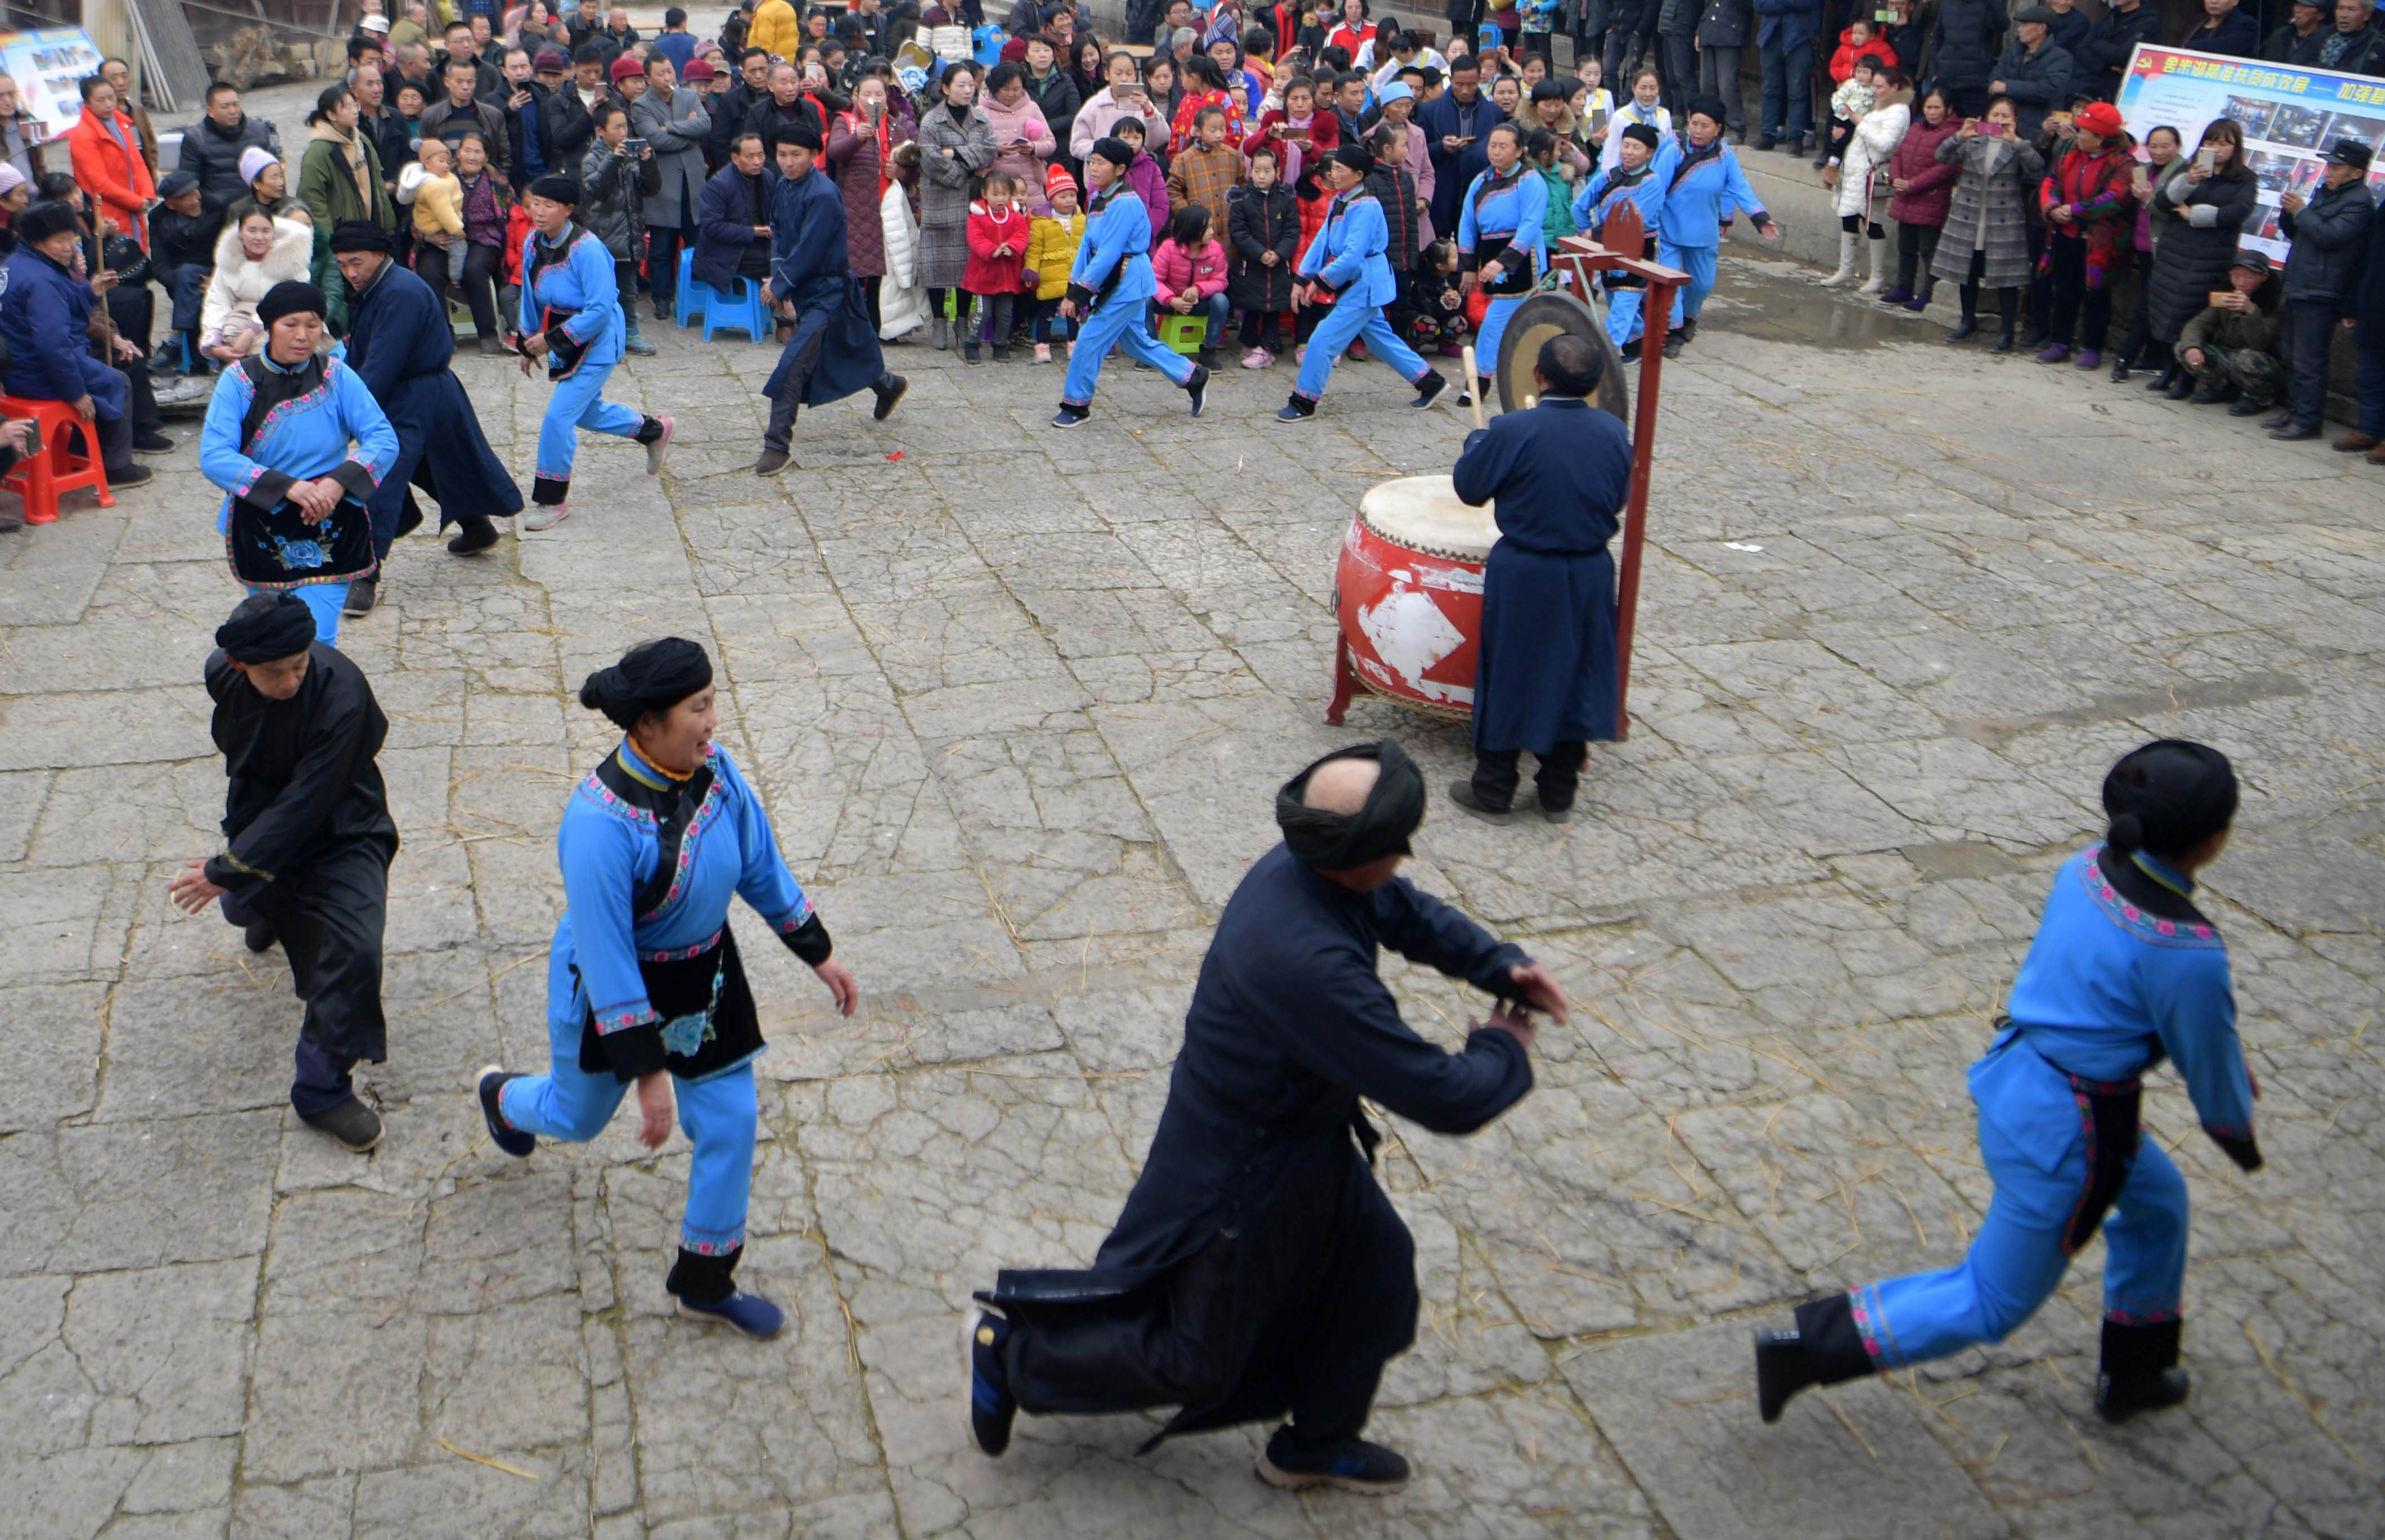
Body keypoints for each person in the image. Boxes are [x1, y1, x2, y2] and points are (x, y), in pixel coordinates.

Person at [964, 739, 1560, 1490]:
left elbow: (1397, 905)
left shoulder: (1314, 869)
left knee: (1378, 1278)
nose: (1406, 856)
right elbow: (1443, 1093)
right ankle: (1009, 1350)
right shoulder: (1309, 966)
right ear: (1362, 849)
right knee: (1195, 1357)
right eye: (1400, 840)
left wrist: (1493, 961)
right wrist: (1504, 1046)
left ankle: (1314, 1442)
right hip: (1238, 1177)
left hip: (1307, 1145)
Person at [1756, 741, 2261, 1429]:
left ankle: (2139, 1366)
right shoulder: (2185, 946)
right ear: (2214, 840)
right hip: (2072, 1133)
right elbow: (2213, 1063)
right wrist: (2235, 1125)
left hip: (2020, 1077)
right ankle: (1805, 1348)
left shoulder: (2087, 868)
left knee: (2159, 1203)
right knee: (1989, 1301)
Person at [475, 637, 860, 1339]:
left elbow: (758, 865)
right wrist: (649, 1072)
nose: (713, 721)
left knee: (731, 1122)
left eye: (712, 701)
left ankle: (705, 1281)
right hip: (611, 993)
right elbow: (607, 952)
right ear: (646, 724)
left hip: (705, 982)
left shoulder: (718, 773)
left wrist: (818, 951)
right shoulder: (596, 823)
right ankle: (502, 1097)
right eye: (699, 706)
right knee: (578, 1117)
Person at [167, 593, 400, 1155]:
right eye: (276, 672)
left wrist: (229, 867)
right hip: (264, 812)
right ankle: (261, 908)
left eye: (301, 664)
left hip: (344, 824)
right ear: (241, 666)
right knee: (248, 900)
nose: (293, 679)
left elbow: (308, 800)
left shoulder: (340, 691)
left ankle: (320, 1089)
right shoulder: (220, 672)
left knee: (355, 949)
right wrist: (237, 871)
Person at [1440, 333, 1625, 818]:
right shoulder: (1612, 432)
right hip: (1589, 571)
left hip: (1525, 570)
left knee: (1510, 673)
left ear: (1538, 375)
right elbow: (1618, 496)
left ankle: (1494, 789)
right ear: (1596, 380)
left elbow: (1470, 489)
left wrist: (1477, 444)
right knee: (1575, 672)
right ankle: (1558, 790)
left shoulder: (1512, 429)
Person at [198, 281, 398, 645]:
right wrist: (290, 487)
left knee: (318, 640)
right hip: (262, 523)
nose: (303, 335)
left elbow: (384, 439)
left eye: (312, 324)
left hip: (332, 518)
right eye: (291, 324)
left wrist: (337, 483)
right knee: (272, 639)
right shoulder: (240, 382)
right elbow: (214, 456)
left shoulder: (337, 376)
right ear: (270, 326)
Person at [332, 219, 525, 577]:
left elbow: (382, 363)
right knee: (435, 464)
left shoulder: (400, 292)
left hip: (420, 393)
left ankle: (365, 574)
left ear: (379, 254)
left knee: (379, 475)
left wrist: (346, 419)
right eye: (343, 265)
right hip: (412, 392)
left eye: (356, 262)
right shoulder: (376, 286)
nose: (350, 273)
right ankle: (476, 527)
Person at [511, 173, 673, 526]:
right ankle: (654, 431)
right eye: (535, 203)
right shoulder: (533, 241)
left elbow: (600, 309)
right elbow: (529, 293)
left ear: (568, 210)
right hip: (566, 332)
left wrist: (550, 341)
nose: (539, 211)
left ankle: (552, 501)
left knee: (558, 417)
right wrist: (527, 342)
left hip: (599, 337)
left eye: (549, 205)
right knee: (582, 411)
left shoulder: (588, 249)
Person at [753, 123, 908, 475]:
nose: (788, 162)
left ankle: (777, 445)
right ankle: (887, 385)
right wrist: (779, 277)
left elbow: (812, 246)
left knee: (792, 363)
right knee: (843, 350)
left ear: (813, 155)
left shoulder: (823, 194)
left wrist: (781, 285)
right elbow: (778, 233)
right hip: (807, 289)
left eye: (796, 155)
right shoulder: (782, 185)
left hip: (831, 291)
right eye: (782, 155)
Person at [1053, 135, 1211, 426]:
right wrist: (1073, 286)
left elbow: (1110, 252)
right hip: (1115, 278)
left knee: (1088, 340)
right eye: (1092, 162)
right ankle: (1193, 376)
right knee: (1137, 343)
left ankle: (1076, 405)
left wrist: (1078, 295)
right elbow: (1087, 246)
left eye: (1101, 163)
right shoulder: (1100, 198)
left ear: (1120, 169)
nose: (1094, 168)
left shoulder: (1126, 203)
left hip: (1127, 281)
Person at [1276, 143, 1445, 416]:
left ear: (1358, 174)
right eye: (1332, 168)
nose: (1333, 173)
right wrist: (1302, 276)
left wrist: (1319, 282)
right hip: (1356, 282)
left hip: (1364, 283)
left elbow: (1353, 256)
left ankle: (1303, 401)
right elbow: (1322, 243)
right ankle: (1431, 382)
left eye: (1340, 169)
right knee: (1381, 340)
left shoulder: (1366, 207)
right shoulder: (1341, 200)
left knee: (1321, 339)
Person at [0, 200, 158, 489]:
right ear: (37, 241)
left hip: (15, 368)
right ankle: (114, 467)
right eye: (59, 241)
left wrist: (89, 291)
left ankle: (77, 450)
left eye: (71, 239)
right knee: (118, 380)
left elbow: (57, 307)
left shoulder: (15, 264)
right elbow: (53, 346)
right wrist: (74, 392)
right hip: (36, 371)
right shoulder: (41, 281)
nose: (69, 248)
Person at [1651, 97, 1779, 358]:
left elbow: (1739, 187)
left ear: (1718, 128)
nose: (1697, 130)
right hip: (1668, 231)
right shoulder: (1673, 150)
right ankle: (1672, 333)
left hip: (1704, 232)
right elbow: (1654, 187)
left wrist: (1760, 217)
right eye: (1694, 123)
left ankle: (1689, 319)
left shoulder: (1724, 155)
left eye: (1705, 126)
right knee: (1670, 283)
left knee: (1702, 284)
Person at [2267, 139, 2374, 443]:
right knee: (2291, 354)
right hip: (2300, 284)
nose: (2329, 172)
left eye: (2337, 167)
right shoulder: (2327, 194)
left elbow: (2330, 236)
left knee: (2310, 360)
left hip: (2322, 291)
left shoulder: (2359, 202)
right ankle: (2295, 410)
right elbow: (2300, 233)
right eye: (2329, 165)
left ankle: (2309, 420)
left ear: (2355, 172)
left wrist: (2301, 212)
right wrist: (2290, 214)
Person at [2136, 118, 2254, 395]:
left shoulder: (2245, 179)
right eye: (2211, 142)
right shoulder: (2190, 169)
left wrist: (2195, 214)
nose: (2217, 148)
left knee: (2192, 317)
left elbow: (2238, 213)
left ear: (2235, 148)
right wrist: (2188, 182)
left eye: (2225, 143)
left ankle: (2187, 377)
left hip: (2210, 258)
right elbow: (2162, 202)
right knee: (2164, 312)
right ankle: (2168, 369)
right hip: (2175, 252)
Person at [1933, 96, 2042, 352]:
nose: (2000, 120)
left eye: (2006, 116)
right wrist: (1960, 136)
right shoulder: (1972, 141)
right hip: (1969, 215)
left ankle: (2006, 331)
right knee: (1967, 270)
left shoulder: (2018, 145)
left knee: (2006, 277)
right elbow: (1941, 156)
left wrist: (2015, 141)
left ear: (2015, 121)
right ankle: (1967, 319)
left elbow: (2037, 166)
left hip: (2003, 218)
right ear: (1985, 118)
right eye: (1996, 115)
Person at [2033, 98, 2132, 369]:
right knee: (2064, 288)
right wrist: (2052, 207)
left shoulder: (2123, 162)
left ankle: (2092, 346)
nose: (2079, 135)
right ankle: (2061, 342)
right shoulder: (2069, 148)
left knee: (2096, 293)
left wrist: (2075, 210)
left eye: (2085, 131)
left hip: (2099, 241)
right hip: (2066, 233)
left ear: (2101, 138)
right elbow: (2051, 180)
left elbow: (2116, 198)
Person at [1451, 122, 1543, 398]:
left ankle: (1479, 381)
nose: (1496, 151)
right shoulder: (1480, 181)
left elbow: (1531, 225)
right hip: (1489, 252)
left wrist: (1503, 262)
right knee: (1512, 321)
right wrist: (1468, 267)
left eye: (1503, 146)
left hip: (1520, 256)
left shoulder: (1530, 181)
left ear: (1519, 151)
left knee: (1496, 319)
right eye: (1493, 145)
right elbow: (1467, 223)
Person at [1572, 120, 1672, 354]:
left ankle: (1604, 352)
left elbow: (1636, 220)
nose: (1629, 152)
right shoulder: (1606, 177)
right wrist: (1585, 231)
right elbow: (1580, 207)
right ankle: (1637, 340)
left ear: (1649, 153)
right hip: (1608, 247)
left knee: (1627, 298)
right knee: (1617, 298)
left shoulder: (1653, 183)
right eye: (1626, 145)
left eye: (1636, 147)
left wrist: (1593, 234)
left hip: (1639, 248)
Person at [918, 63, 999, 349]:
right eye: (961, 85)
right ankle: (939, 320)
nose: (968, 90)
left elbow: (990, 150)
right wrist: (966, 170)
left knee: (968, 263)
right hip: (941, 197)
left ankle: (962, 319)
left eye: (971, 85)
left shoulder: (981, 118)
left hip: (972, 200)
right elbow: (930, 160)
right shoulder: (931, 121)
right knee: (937, 264)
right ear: (946, 88)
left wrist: (955, 153)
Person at [632, 55, 712, 323]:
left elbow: (705, 125)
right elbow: (655, 139)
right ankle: (662, 298)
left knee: (697, 242)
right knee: (661, 246)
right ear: (648, 79)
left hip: (692, 183)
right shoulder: (641, 106)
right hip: (663, 185)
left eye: (670, 71)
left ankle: (697, 295)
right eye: (661, 73)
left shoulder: (689, 96)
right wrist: (688, 137)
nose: (668, 77)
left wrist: (674, 127)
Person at [579, 101, 661, 355]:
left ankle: (630, 333)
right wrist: (614, 160)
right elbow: (594, 189)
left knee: (629, 288)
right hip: (604, 235)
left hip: (630, 232)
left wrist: (648, 162)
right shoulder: (593, 158)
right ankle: (598, 334)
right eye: (617, 127)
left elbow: (652, 189)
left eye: (625, 126)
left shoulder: (633, 155)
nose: (624, 132)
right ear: (601, 131)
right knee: (600, 291)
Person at [2176, 248, 2283, 416]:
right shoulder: (2227, 294)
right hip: (2229, 357)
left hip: (2260, 363)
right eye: (2236, 276)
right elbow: (2198, 324)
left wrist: (2251, 312)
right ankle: (2223, 388)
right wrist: (2192, 347)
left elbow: (2260, 343)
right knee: (2183, 347)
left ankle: (2258, 397)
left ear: (2264, 277)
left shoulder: (2274, 302)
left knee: (2248, 358)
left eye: (2248, 276)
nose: (2241, 282)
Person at [1879, 87, 1959, 312]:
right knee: (1906, 245)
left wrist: (1913, 185)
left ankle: (1929, 292)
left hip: (1930, 198)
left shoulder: (1952, 134)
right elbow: (1899, 154)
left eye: (1937, 108)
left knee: (1928, 249)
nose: (1932, 112)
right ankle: (1904, 287)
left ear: (1948, 109)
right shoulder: (1916, 128)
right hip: (1906, 196)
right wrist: (1895, 178)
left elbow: (1945, 168)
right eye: (1928, 107)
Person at [200, 208, 315, 362]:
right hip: (237, 323)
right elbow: (217, 300)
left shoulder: (291, 261)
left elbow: (291, 300)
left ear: (273, 233)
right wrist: (214, 340)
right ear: (240, 233)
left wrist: (252, 330)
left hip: (283, 321)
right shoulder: (228, 262)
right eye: (252, 231)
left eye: (266, 231)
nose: (259, 237)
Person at [66, 75, 155, 252]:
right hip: (109, 211)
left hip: (133, 205)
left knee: (138, 256)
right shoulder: (83, 136)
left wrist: (148, 193)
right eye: (101, 100)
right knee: (119, 259)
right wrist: (137, 203)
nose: (109, 104)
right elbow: (100, 184)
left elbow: (137, 162)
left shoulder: (120, 123)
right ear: (87, 103)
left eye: (112, 97)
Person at [298, 84, 398, 238]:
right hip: (345, 235)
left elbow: (378, 182)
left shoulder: (361, 140)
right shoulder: (319, 152)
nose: (355, 111)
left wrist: (388, 223)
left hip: (372, 228)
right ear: (331, 115)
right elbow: (313, 199)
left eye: (355, 105)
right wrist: (328, 239)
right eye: (347, 107)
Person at [1419, 56, 1503, 236]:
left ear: (1480, 79)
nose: (1465, 90)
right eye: (1459, 84)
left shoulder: (1494, 112)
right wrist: (1442, 147)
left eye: (1471, 85)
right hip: (1442, 189)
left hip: (1479, 187)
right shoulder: (1429, 111)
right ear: (1450, 80)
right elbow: (1420, 152)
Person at [181, 83, 284, 217]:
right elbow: (190, 183)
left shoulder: (259, 130)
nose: (233, 111)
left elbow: (275, 172)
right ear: (210, 111)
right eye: (225, 107)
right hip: (218, 211)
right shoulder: (195, 139)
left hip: (259, 207)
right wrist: (215, 203)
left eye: (236, 105)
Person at [693, 130, 775, 296]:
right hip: (724, 251)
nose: (758, 162)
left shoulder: (767, 177)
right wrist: (752, 232)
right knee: (775, 265)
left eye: (761, 155)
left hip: (760, 242)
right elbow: (712, 227)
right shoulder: (720, 184)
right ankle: (782, 312)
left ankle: (781, 309)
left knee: (795, 259)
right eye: (750, 157)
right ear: (735, 159)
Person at [962, 168, 1031, 361]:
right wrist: (992, 250)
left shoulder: (1016, 216)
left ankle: (1000, 344)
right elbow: (975, 239)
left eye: (1004, 194)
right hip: (984, 275)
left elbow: (1022, 235)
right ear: (985, 194)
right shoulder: (977, 216)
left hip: (1007, 275)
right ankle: (972, 342)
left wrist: (1012, 248)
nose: (1000, 199)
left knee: (1005, 314)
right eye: (995, 194)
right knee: (983, 313)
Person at [1024, 163, 1087, 360]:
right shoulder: (1041, 222)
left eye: (1072, 195)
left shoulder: (1081, 220)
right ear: (1052, 198)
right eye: (1063, 196)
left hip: (1073, 275)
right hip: (1050, 275)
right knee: (1047, 312)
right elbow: (1034, 250)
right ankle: (1042, 345)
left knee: (1073, 313)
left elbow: (1087, 248)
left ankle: (1074, 344)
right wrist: (1031, 270)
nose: (1069, 200)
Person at [1988, 7, 2073, 145]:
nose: (2019, 29)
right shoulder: (2013, 52)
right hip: (2003, 122)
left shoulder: (2061, 58)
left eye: (2025, 25)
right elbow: (1994, 82)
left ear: (2041, 28)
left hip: (2035, 128)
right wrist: (2022, 90)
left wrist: (2007, 87)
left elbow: (2047, 91)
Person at [2179, 0, 2259, 57]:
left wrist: (2189, 45)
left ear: (2235, 1)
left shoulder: (2246, 24)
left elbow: (2227, 46)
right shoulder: (2196, 21)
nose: (2214, 1)